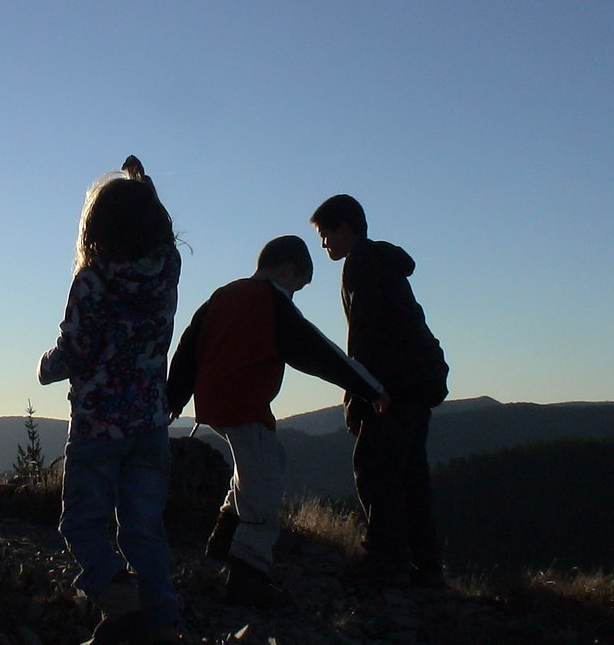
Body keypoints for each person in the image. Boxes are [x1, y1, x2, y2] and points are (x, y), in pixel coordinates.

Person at [166, 235, 389, 607]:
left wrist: (174, 397)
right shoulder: (272, 304)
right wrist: (372, 389)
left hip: (213, 405)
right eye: (297, 286)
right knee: (264, 486)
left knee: (264, 462)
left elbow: (190, 344)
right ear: (287, 269)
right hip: (245, 406)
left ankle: (222, 542)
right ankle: (247, 574)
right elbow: (320, 352)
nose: (294, 294)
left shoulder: (223, 295)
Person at [38, 156, 181, 645]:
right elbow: (162, 229)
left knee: (82, 524)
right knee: (144, 531)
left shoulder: (93, 280)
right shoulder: (167, 270)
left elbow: (75, 351)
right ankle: (162, 624)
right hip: (150, 424)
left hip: (99, 425)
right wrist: (145, 186)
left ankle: (122, 610)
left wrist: (46, 366)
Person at [310, 194, 449, 586]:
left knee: (375, 470)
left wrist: (361, 394)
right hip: (418, 380)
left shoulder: (362, 266)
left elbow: (366, 337)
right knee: (410, 475)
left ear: (345, 229)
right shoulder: (382, 263)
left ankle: (384, 560)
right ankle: (425, 565)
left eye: (325, 235)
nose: (324, 245)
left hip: (394, 384)